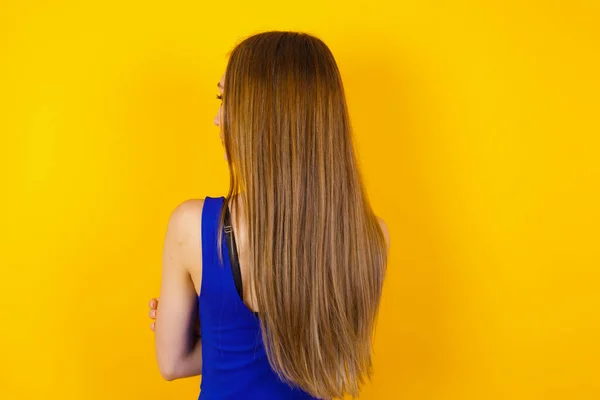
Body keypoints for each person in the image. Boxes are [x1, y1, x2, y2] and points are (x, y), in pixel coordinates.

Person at [148, 31, 390, 400]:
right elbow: (329, 361)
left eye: (226, 100)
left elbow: (172, 364)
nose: (217, 119)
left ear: (262, 117)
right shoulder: (370, 239)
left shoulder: (193, 227)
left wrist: (214, 329)